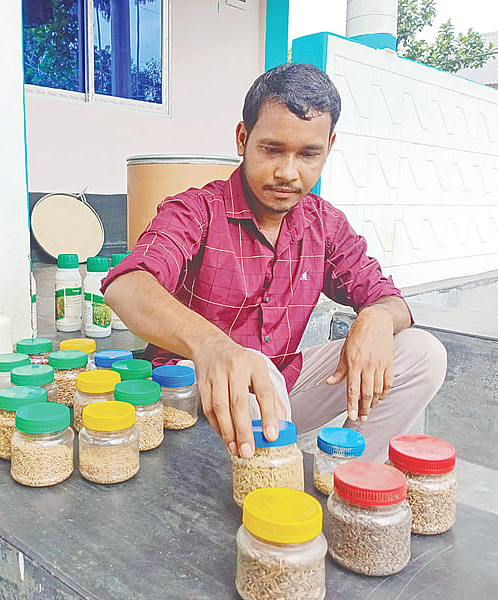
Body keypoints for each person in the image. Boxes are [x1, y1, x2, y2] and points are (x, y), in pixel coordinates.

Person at [103, 63, 446, 462]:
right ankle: (267, 469)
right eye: (272, 149)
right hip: (191, 397)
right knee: (255, 372)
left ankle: (345, 474)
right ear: (243, 138)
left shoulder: (325, 225)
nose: (287, 172)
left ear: (328, 148)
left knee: (422, 353)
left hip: (281, 388)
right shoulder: (197, 210)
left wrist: (379, 318)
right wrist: (211, 346)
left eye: (308, 155)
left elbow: (388, 298)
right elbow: (126, 284)